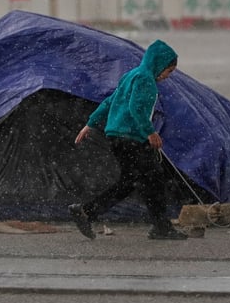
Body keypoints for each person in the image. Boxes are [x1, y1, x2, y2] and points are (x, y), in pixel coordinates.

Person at [70, 39, 187, 241]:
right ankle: (161, 227)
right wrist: (150, 132)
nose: (168, 77)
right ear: (159, 64)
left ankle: (87, 212)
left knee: (133, 181)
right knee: (153, 180)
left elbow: (110, 101)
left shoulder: (131, 75)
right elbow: (137, 108)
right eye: (169, 71)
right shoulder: (146, 79)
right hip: (131, 138)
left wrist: (91, 122)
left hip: (117, 137)